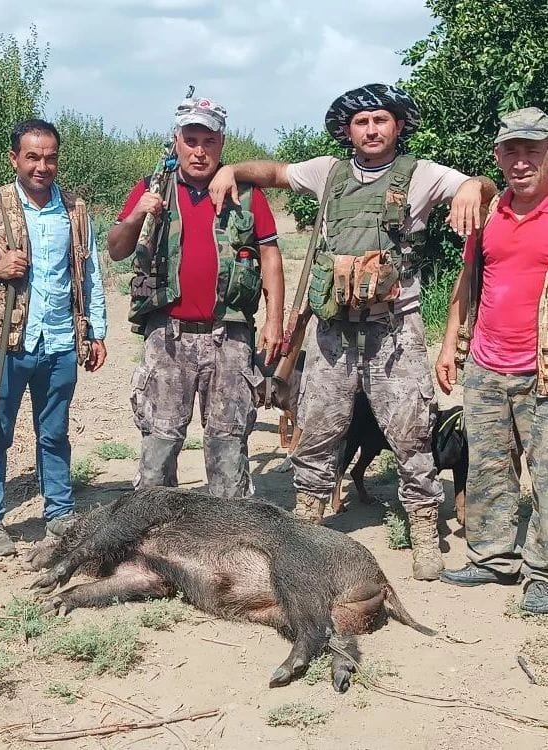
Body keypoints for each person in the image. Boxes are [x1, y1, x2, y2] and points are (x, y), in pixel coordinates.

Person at [209, 83, 496, 580]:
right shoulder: (329, 172)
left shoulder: (422, 175)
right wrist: (232, 170)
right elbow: (274, 173)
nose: (371, 129)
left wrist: (476, 185)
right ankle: (308, 528)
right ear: (348, 130)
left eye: (380, 120)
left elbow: (483, 187)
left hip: (395, 332)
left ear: (398, 126)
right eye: (361, 122)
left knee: (412, 433)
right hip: (331, 333)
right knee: (318, 430)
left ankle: (425, 533)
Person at [0, 119, 107, 557]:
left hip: (58, 343)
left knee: (54, 433)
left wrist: (96, 331)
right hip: (1, 346)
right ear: (14, 158)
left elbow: (88, 273)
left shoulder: (76, 210)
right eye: (32, 157)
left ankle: (60, 512)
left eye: (50, 157)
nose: (42, 166)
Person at [107, 96, 283, 499]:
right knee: (161, 439)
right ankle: (150, 535)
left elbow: (271, 258)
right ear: (176, 140)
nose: (199, 151)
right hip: (167, 336)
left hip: (230, 336)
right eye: (191, 140)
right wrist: (139, 213)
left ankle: (229, 533)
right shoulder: (152, 187)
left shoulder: (248, 194)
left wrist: (275, 320)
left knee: (228, 440)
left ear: (222, 143)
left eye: (209, 140)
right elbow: (116, 249)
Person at [436, 107, 548, 613]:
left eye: (533, 150)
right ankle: (491, 557)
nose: (521, 161)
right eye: (512, 151)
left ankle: (541, 571)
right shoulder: (488, 213)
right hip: (485, 364)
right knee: (487, 467)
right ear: (499, 157)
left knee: (545, 474)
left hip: (540, 369)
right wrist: (450, 344)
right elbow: (467, 283)